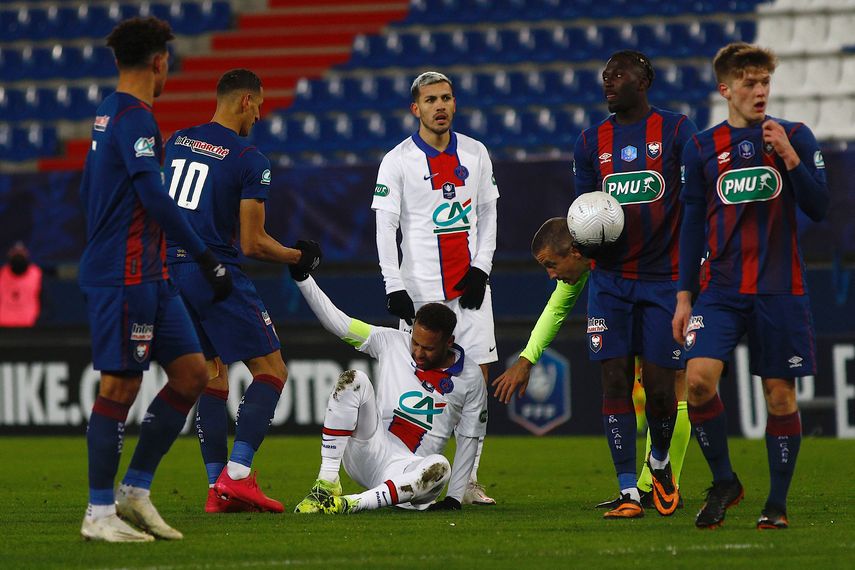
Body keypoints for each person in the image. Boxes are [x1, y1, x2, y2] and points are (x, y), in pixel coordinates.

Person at [77, 17, 233, 542]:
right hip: (125, 274)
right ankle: (99, 513)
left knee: (192, 374)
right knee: (120, 385)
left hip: (152, 273)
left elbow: (87, 193)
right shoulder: (136, 120)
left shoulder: (109, 113)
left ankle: (135, 491)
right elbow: (155, 200)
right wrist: (206, 256)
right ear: (159, 62)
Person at [673, 43, 828, 530]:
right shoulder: (701, 147)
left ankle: (776, 504)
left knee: (780, 397)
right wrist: (683, 295)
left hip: (781, 288)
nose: (759, 92)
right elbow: (691, 224)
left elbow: (820, 207)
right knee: (697, 382)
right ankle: (725, 480)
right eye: (749, 84)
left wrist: (789, 158)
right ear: (726, 89)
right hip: (719, 289)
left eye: (765, 83)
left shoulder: (795, 136)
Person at [163, 68, 322, 514]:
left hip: (170, 272)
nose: (262, 113)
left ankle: (217, 488)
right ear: (246, 101)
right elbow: (253, 243)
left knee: (212, 374)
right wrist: (298, 256)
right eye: (261, 103)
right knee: (272, 369)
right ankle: (237, 475)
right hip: (214, 272)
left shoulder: (177, 141)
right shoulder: (250, 160)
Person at [572, 50, 697, 519]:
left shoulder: (677, 130)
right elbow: (583, 209)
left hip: (664, 281)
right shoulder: (589, 142)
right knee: (614, 379)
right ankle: (628, 491)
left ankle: (659, 464)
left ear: (644, 80)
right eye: (604, 75)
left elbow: (696, 197)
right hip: (611, 281)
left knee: (663, 392)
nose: (608, 80)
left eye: (618, 74)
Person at [372, 71, 499, 505]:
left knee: (477, 380)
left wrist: (481, 269)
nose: (439, 106)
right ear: (416, 108)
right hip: (421, 292)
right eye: (430, 100)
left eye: (446, 98)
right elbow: (384, 227)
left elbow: (488, 214)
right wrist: (394, 285)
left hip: (471, 291)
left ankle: (468, 481)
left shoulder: (477, 153)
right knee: (418, 386)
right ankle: (406, 470)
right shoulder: (398, 160)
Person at [289, 263, 487, 514]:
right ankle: (326, 484)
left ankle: (348, 505)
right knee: (353, 379)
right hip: (369, 449)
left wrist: (454, 499)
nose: (418, 352)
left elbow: (469, 440)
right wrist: (303, 278)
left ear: (449, 342)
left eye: (428, 348)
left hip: (407, 471)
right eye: (415, 342)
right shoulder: (391, 342)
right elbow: (339, 324)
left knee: (440, 466)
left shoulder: (471, 378)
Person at [0, 242, 43, 327]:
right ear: (9, 254)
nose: (18, 254)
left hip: (30, 329)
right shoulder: (1, 274)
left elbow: (47, 306)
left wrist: (38, 324)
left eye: (21, 251)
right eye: (15, 251)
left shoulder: (37, 275)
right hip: (3, 329)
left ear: (27, 254)